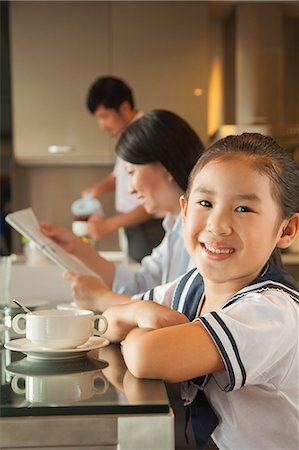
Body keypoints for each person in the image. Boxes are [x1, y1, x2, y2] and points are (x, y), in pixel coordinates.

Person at [102, 133, 299, 450]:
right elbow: (108, 322)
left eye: (244, 209)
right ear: (184, 211)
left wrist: (138, 332)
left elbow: (145, 355)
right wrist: (138, 312)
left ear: (286, 229)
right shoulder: (190, 285)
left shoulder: (271, 312)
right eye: (205, 203)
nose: (218, 225)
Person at [40, 110, 205, 311]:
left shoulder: (203, 232)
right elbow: (140, 282)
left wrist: (102, 298)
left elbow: (181, 309)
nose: (130, 188)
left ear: (165, 167)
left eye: (132, 172)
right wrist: (75, 247)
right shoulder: (174, 225)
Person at [82, 76, 164, 262]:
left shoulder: (144, 135)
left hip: (148, 227)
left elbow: (156, 197)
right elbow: (118, 176)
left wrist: (109, 225)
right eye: (98, 118)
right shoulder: (128, 135)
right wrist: (97, 189)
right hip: (135, 226)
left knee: (150, 285)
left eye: (105, 116)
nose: (102, 125)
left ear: (125, 107)